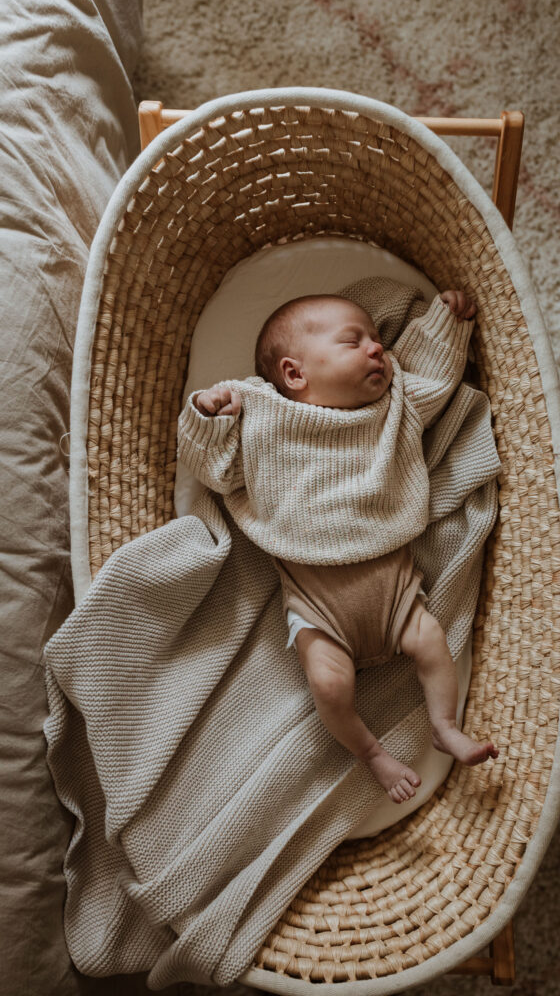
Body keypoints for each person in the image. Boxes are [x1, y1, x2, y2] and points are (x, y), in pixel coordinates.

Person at [177, 276, 498, 804]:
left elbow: (435, 381)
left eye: (378, 340)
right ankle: (371, 751)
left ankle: (444, 724)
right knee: (329, 687)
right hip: (318, 605)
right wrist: (210, 416)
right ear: (294, 373)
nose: (378, 349)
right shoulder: (260, 413)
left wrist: (447, 323)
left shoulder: (395, 404)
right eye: (355, 342)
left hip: (396, 590)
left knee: (432, 645)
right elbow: (213, 467)